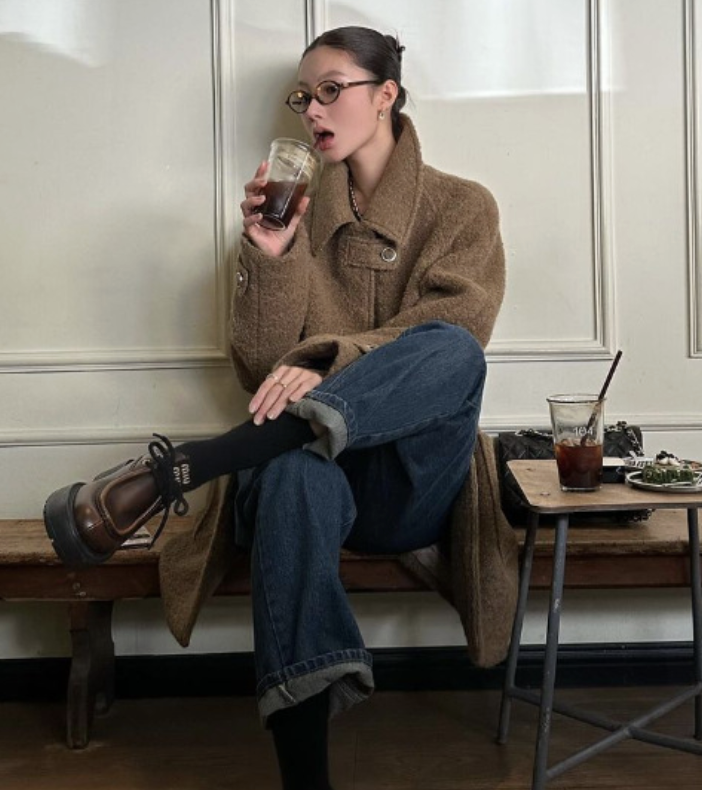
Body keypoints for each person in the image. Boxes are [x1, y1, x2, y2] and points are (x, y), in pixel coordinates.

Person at [43, 26, 517, 790]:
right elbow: (262, 368)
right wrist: (271, 254)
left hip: (406, 482)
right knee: (294, 479)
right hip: (307, 470)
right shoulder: (294, 208)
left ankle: (190, 466)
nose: (313, 110)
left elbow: (457, 331)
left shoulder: (463, 207)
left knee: (454, 349)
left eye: (331, 90)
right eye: (304, 97)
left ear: (386, 94)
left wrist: (329, 358)